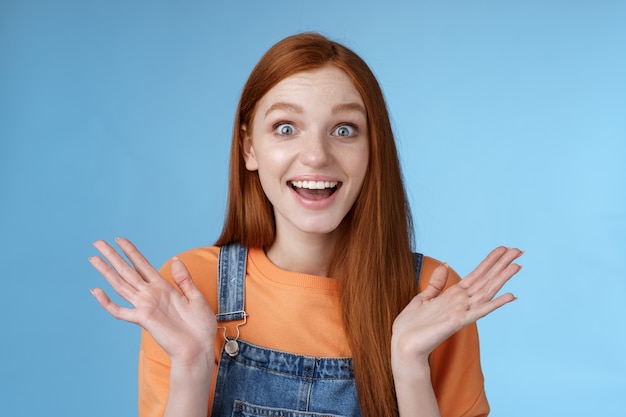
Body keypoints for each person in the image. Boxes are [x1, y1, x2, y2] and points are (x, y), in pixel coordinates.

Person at [89, 32, 523, 417]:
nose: (316, 155)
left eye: (344, 130)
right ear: (249, 149)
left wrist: (409, 363)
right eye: (285, 127)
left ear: (374, 150)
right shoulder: (190, 288)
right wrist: (191, 364)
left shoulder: (433, 295)